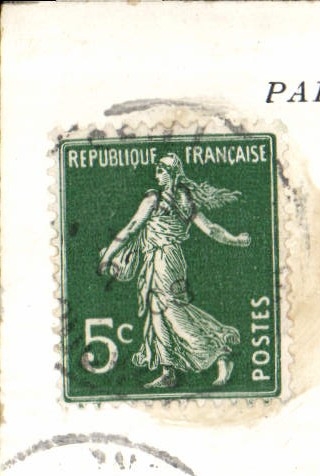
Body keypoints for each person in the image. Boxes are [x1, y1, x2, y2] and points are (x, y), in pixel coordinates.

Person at [97, 153, 251, 390]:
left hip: (162, 260)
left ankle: (220, 354)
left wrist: (108, 256)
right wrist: (236, 240)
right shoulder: (185, 199)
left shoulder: (153, 199)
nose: (156, 174)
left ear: (170, 174)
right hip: (171, 259)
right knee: (159, 311)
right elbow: (211, 229)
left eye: (160, 170)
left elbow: (130, 228)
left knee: (172, 314)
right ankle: (168, 371)